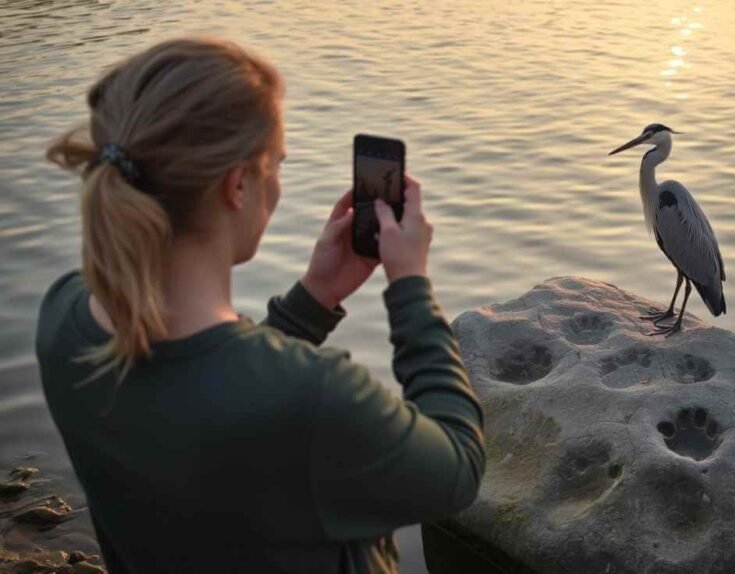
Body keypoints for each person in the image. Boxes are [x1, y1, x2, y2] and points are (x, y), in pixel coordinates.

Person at [36, 37, 485, 573]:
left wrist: (313, 301)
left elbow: (210, 398)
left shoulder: (64, 318)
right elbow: (458, 470)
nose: (278, 184)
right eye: (277, 164)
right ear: (239, 184)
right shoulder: (316, 397)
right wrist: (409, 285)